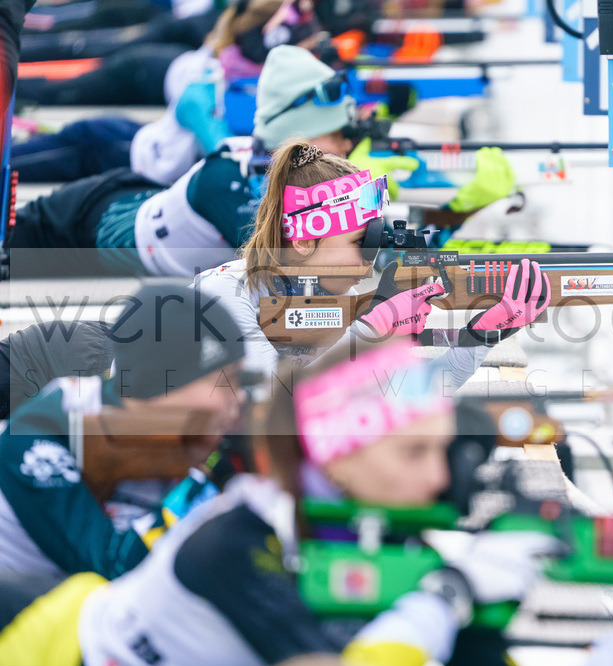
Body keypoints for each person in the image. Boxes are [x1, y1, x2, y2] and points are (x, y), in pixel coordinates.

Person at [0, 336, 613, 666]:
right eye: (412, 453)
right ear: (335, 456)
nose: (439, 476)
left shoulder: (400, 559)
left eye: (441, 450)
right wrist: (451, 594)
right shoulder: (234, 541)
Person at [3, 44, 516, 279]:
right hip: (78, 221)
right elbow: (294, 269)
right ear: (302, 134)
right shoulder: (237, 178)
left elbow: (369, 242)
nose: (346, 146)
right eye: (339, 136)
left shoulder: (288, 181)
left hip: (130, 200)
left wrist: (454, 213)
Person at [195, 137, 549, 386]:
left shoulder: (327, 300)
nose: (369, 262)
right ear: (303, 241)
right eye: (360, 244)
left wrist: (480, 337)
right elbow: (268, 404)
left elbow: (403, 399)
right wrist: (370, 330)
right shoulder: (224, 295)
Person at [0, 283, 246, 583]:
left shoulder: (194, 440)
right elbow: (112, 566)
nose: (239, 395)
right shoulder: (46, 429)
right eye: (225, 379)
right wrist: (206, 481)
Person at [12, 0, 322, 184]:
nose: (315, 58)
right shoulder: (239, 79)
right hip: (116, 142)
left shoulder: (249, 74)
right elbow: (202, 119)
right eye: (307, 49)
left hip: (124, 140)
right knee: (48, 99)